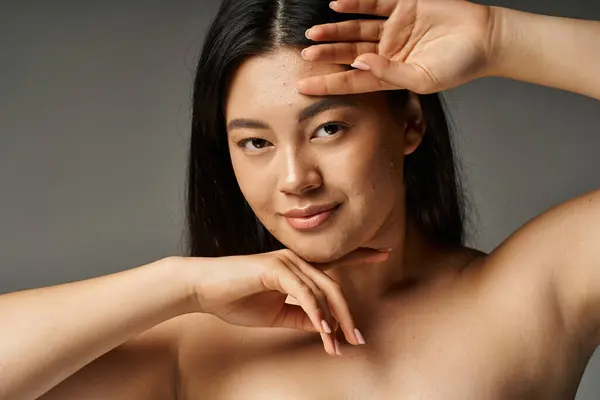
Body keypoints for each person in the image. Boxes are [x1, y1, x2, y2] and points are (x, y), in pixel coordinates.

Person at [2, 0, 599, 398]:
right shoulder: (194, 348)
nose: (294, 178)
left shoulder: (531, 294)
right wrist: (178, 286)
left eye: (328, 129)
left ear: (410, 123)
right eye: (255, 142)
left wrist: (501, 38)